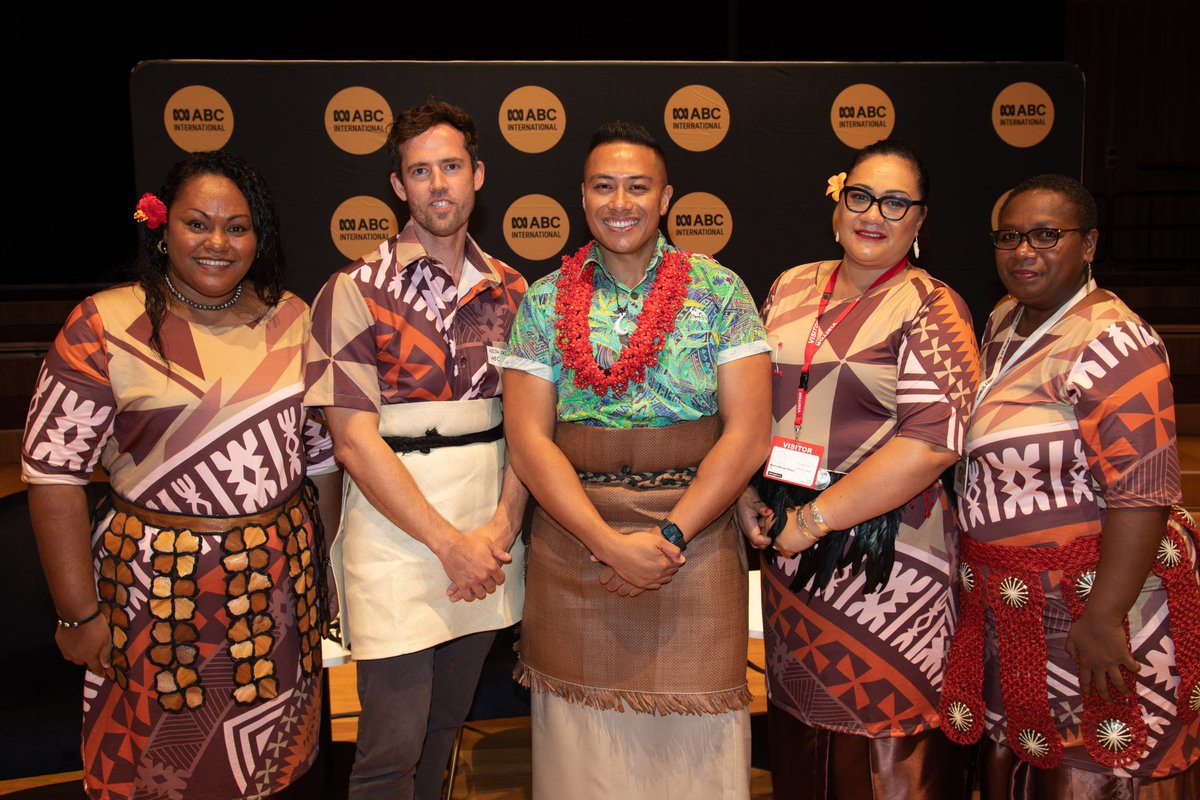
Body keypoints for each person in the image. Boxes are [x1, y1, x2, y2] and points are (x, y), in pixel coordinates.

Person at [22, 150, 340, 800]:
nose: (218, 243)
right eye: (200, 224)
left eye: (238, 227)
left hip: (277, 601)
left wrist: (325, 574)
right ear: (163, 231)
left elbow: (321, 460)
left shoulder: (294, 320)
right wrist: (78, 615)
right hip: (153, 604)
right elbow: (52, 475)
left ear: (261, 237)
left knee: (281, 768)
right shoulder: (104, 325)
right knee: (160, 774)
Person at [502, 120, 771, 799]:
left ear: (666, 198)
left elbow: (747, 432)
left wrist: (672, 534)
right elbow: (530, 441)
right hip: (574, 543)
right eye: (603, 187)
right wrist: (605, 543)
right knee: (580, 760)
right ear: (582, 197)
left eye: (637, 187)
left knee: (694, 759)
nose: (620, 202)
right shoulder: (540, 303)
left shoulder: (720, 293)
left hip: (696, 540)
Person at [939, 174, 1199, 797]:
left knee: (1097, 767)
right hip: (1018, 601)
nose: (1024, 251)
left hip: (1096, 603)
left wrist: (1105, 617)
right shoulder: (1004, 320)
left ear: (1088, 245)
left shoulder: (1116, 341)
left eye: (1047, 235)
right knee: (1033, 760)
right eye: (1010, 237)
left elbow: (1144, 492)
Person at [737, 140, 980, 799]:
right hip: (788, 554)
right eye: (862, 196)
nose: (875, 214)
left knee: (885, 743)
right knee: (802, 729)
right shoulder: (790, 285)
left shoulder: (933, 308)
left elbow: (932, 444)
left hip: (887, 564)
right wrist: (745, 496)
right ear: (839, 203)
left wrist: (814, 519)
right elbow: (752, 403)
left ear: (920, 220)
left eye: (897, 202)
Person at [303, 99, 527, 800]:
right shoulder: (353, 291)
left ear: (478, 175)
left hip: (490, 537)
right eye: (420, 171)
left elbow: (530, 428)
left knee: (445, 728)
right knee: (389, 749)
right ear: (399, 187)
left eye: (451, 167)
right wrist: (446, 543)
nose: (438, 185)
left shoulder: (514, 291)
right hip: (396, 539)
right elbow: (352, 441)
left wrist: (498, 531)